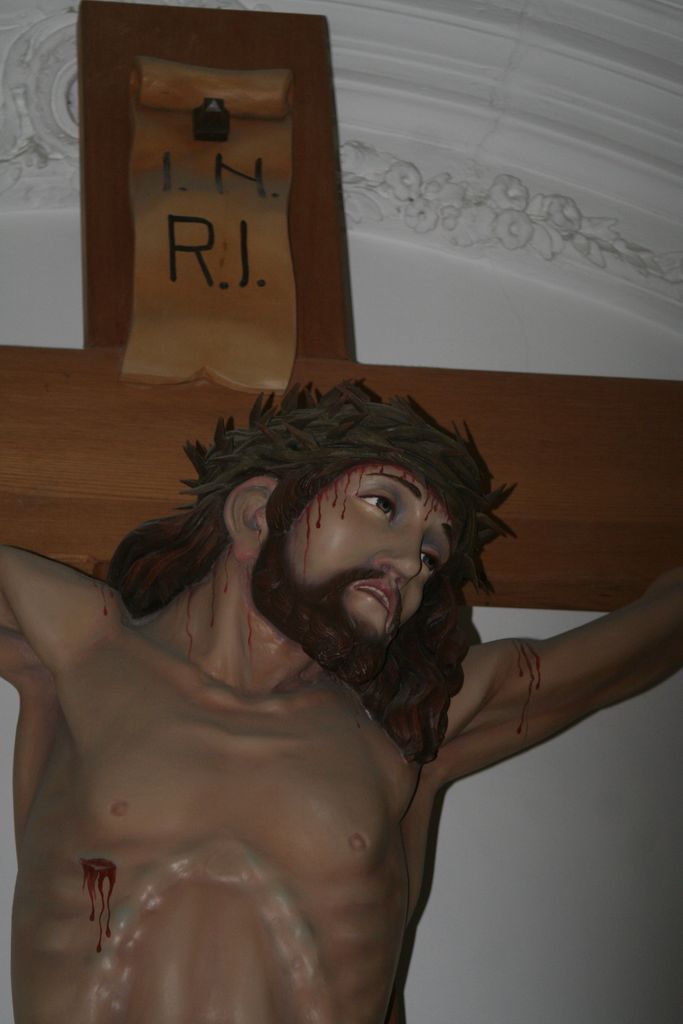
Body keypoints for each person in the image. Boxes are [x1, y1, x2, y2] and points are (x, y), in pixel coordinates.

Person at [0, 382, 681, 1024]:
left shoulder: (402, 727)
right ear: (256, 512)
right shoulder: (88, 649)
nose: (410, 562)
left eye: (431, 555)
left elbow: (640, 646)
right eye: (384, 506)